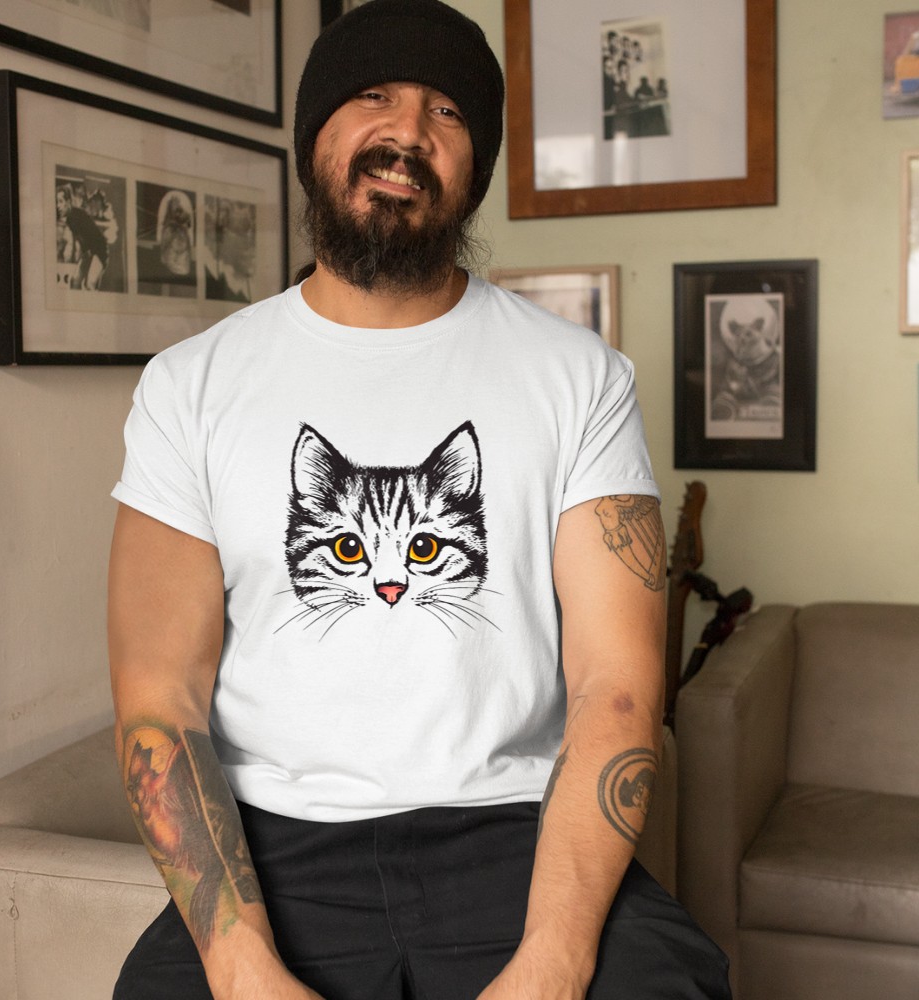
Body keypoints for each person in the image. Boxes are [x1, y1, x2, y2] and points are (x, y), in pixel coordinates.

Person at [107, 2, 732, 999]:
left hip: (514, 829)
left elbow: (616, 686)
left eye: (446, 111)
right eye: (372, 97)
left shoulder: (580, 377)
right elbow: (158, 697)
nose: (407, 132)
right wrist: (239, 967)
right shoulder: (190, 385)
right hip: (275, 842)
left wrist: (555, 961)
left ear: (474, 168)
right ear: (314, 137)